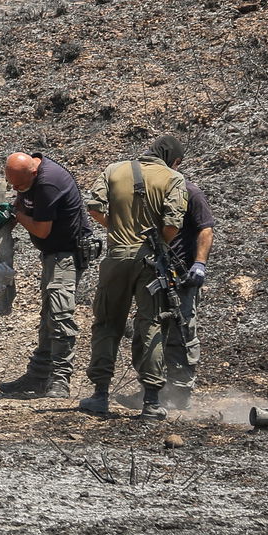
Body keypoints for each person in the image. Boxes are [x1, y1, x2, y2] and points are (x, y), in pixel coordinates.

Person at [79, 135, 190, 420]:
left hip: (116, 258)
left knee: (106, 324)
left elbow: (93, 207)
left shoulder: (113, 170)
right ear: (172, 159)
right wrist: (158, 246)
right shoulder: (173, 178)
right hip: (150, 263)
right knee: (151, 325)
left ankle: (100, 395)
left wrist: (116, 228)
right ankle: (151, 400)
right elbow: (171, 225)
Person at [0, 151, 93, 399]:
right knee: (49, 314)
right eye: (12, 184)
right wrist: (10, 212)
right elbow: (24, 204)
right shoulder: (29, 177)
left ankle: (60, 379)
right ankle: (38, 375)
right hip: (52, 255)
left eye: (19, 185)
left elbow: (42, 229)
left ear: (33, 172)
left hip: (66, 254)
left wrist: (16, 215)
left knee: (59, 314)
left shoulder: (48, 183)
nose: (16, 188)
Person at [161, 179, 216, 411]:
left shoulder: (190, 192)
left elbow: (206, 228)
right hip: (157, 272)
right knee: (158, 331)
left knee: (182, 331)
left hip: (182, 273)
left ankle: (181, 391)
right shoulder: (154, 191)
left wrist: (200, 263)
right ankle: (159, 387)